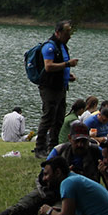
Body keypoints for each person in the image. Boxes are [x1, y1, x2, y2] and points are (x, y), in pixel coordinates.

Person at [32, 20, 78, 157]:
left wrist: (67, 75)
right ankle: (40, 148)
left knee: (59, 119)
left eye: (70, 33)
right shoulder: (49, 47)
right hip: (50, 88)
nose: (69, 36)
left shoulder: (62, 46)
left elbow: (58, 65)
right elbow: (48, 66)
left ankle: (53, 147)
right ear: (58, 33)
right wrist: (67, 64)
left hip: (61, 87)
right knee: (48, 118)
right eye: (66, 33)